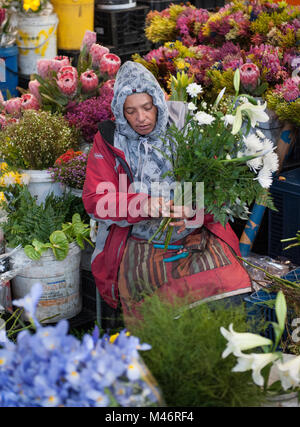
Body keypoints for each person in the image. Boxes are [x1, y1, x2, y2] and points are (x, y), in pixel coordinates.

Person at [82, 61, 252, 322]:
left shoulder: (186, 128)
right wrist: (143, 205)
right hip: (138, 242)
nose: (141, 118)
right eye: (131, 111)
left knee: (227, 287)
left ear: (158, 103)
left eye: (147, 108)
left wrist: (194, 212)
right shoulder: (109, 140)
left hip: (193, 236)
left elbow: (221, 191)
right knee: (155, 310)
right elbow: (96, 200)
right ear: (119, 111)